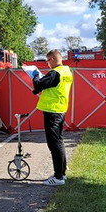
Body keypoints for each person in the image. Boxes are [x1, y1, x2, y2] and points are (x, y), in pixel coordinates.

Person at [32, 50, 73, 186]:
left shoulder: (55, 73)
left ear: (53, 59)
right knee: (59, 142)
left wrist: (35, 76)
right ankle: (62, 173)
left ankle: (58, 177)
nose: (47, 64)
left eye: (48, 61)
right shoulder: (67, 71)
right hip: (60, 109)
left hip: (52, 111)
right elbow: (52, 85)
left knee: (54, 144)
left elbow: (39, 85)